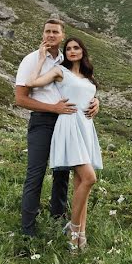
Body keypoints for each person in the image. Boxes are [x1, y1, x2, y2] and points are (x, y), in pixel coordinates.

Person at [15, 19, 99, 238]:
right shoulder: (32, 59)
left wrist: (96, 101)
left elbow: (79, 86)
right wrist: (53, 108)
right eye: (47, 31)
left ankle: (58, 221)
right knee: (36, 174)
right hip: (43, 120)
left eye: (55, 32)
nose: (51, 35)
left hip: (66, 122)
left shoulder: (64, 60)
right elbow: (21, 99)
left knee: (62, 175)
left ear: (62, 35)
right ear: (43, 34)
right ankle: (28, 231)